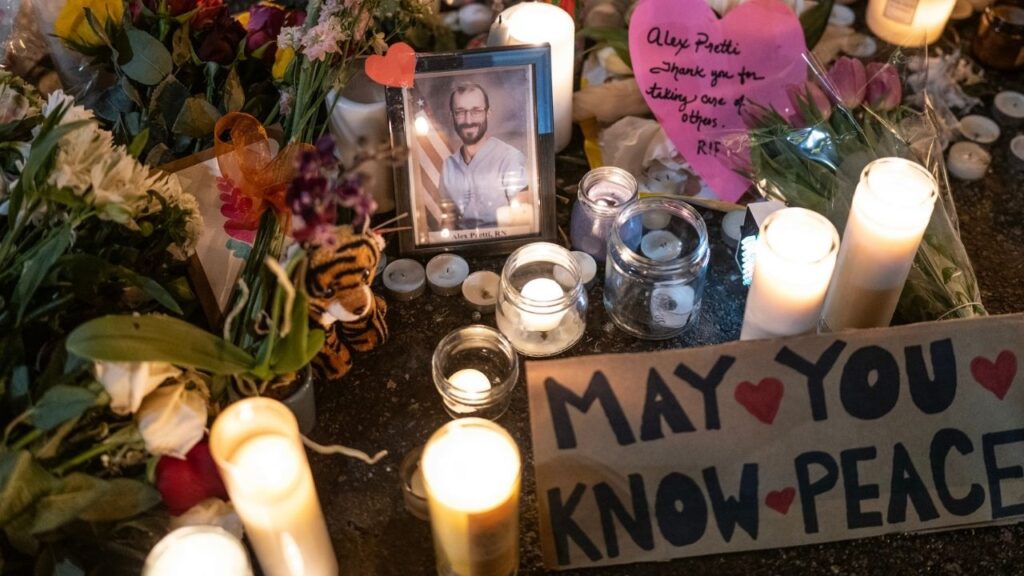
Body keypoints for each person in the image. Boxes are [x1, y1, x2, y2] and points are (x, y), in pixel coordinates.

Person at [439, 82, 530, 229]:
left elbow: (524, 219)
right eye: (460, 112)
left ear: (488, 113)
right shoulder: (448, 166)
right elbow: (448, 222)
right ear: (452, 116)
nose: (468, 120)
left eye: (476, 111)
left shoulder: (509, 158)